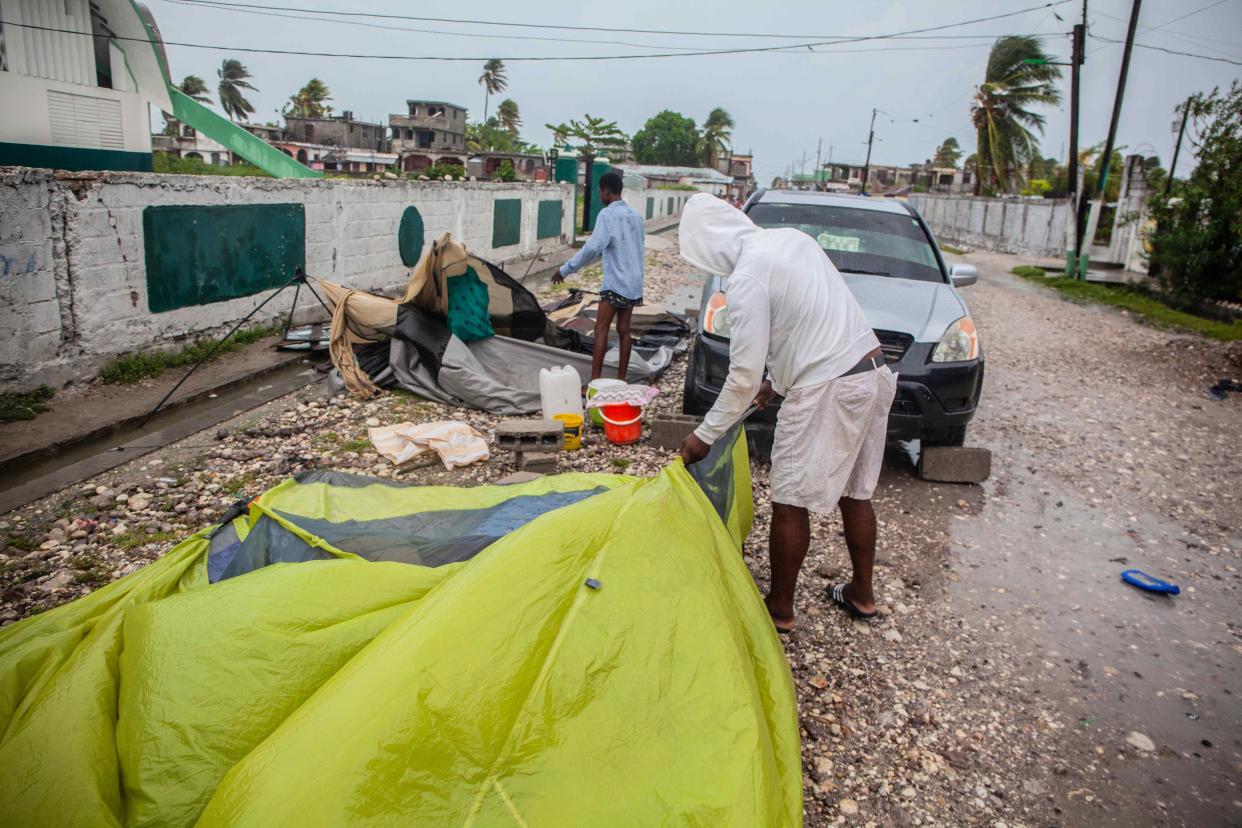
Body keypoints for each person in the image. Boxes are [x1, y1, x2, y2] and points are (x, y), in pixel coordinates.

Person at [676, 193, 897, 634]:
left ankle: (779, 608)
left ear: (708, 245)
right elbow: (808, 319)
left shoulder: (745, 278)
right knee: (857, 491)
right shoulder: (791, 240)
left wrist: (704, 434)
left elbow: (741, 374)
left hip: (827, 388)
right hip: (871, 372)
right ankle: (862, 594)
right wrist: (775, 383)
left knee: (790, 497)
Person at [552, 172, 645, 381]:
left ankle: (594, 382)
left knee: (601, 328)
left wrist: (565, 269)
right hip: (633, 282)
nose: (600, 196)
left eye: (600, 192)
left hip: (615, 283)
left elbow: (593, 248)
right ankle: (621, 381)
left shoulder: (607, 215)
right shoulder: (636, 216)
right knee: (624, 330)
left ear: (605, 191)